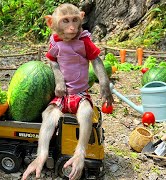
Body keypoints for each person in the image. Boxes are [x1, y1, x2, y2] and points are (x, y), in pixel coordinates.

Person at [22, 3, 113, 180]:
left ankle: (80, 152)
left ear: (81, 19)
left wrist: (104, 84)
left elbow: (96, 61)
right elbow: (52, 61)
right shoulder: (55, 42)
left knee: (86, 113)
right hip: (62, 95)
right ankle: (41, 155)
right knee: (48, 115)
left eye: (75, 20)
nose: (71, 27)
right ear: (51, 23)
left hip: (79, 94)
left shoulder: (84, 41)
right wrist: (59, 80)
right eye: (65, 21)